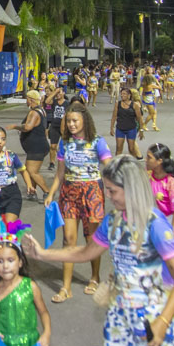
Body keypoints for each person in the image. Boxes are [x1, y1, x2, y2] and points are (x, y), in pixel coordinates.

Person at [25, 156, 174, 346]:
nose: (108, 196)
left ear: (130, 189)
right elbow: (85, 252)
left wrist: (163, 322)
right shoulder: (113, 221)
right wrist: (42, 254)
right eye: (107, 189)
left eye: (112, 191)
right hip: (120, 314)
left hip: (153, 318)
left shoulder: (155, 224)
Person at [43, 103, 113, 303]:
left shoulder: (98, 142)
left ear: (85, 121)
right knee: (68, 239)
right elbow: (60, 173)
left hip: (92, 192)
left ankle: (94, 276)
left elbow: (109, 168)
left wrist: (114, 189)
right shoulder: (65, 143)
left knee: (92, 238)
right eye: (69, 121)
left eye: (75, 121)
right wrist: (51, 193)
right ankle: (66, 287)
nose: (71, 125)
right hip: (69, 193)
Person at [0, 219, 50, 346]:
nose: (5, 266)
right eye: (0, 261)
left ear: (20, 262)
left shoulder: (31, 286)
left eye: (10, 260)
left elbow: (43, 312)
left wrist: (46, 333)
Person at [9, 90, 50, 203]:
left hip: (37, 147)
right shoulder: (41, 110)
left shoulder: (34, 112)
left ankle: (47, 192)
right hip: (37, 146)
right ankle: (32, 192)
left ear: (30, 100)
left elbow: (28, 127)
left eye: (27, 98)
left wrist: (15, 126)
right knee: (31, 170)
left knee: (31, 172)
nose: (26, 101)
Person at [146, 143, 174, 249]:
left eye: (149, 158)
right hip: (151, 222)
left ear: (159, 161)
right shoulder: (147, 175)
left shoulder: (171, 184)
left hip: (168, 223)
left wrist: (171, 237)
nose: (146, 160)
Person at [110, 87, 145, 159]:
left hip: (131, 129)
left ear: (129, 95)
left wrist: (141, 130)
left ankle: (133, 164)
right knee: (119, 148)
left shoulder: (135, 105)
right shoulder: (118, 104)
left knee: (131, 149)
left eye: (124, 94)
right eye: (121, 94)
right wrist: (111, 128)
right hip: (120, 128)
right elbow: (114, 116)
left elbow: (139, 118)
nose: (122, 95)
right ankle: (117, 165)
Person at [45, 86, 67, 171]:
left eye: (59, 92)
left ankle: (65, 163)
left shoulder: (67, 103)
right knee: (53, 146)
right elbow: (47, 101)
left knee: (64, 146)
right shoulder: (54, 102)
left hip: (64, 127)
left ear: (63, 93)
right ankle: (52, 163)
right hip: (54, 126)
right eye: (56, 93)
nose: (57, 94)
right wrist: (55, 92)